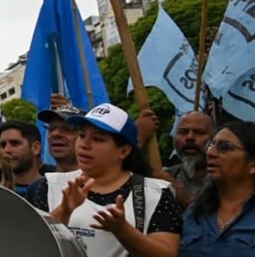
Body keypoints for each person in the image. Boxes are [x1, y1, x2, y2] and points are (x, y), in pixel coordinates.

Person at [29, 103, 181, 257]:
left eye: (98, 139)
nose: (84, 145)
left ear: (123, 151)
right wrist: (64, 210)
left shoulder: (156, 193)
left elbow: (167, 253)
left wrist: (122, 230)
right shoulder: (51, 185)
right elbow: (30, 246)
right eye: (82, 135)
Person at [180, 121, 255, 255]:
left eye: (225, 147)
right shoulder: (194, 213)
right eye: (210, 145)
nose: (210, 153)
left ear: (252, 165)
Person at [168, 111, 215, 207]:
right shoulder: (166, 176)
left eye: (200, 133)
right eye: (183, 132)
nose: (190, 137)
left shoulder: (226, 180)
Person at [0, 122, 44, 199]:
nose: (7, 150)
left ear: (36, 148)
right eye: (3, 145)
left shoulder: (53, 190)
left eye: (15, 143)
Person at [37, 103, 86, 174]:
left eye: (67, 128)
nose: (55, 134)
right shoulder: (39, 184)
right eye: (51, 128)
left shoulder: (101, 183)